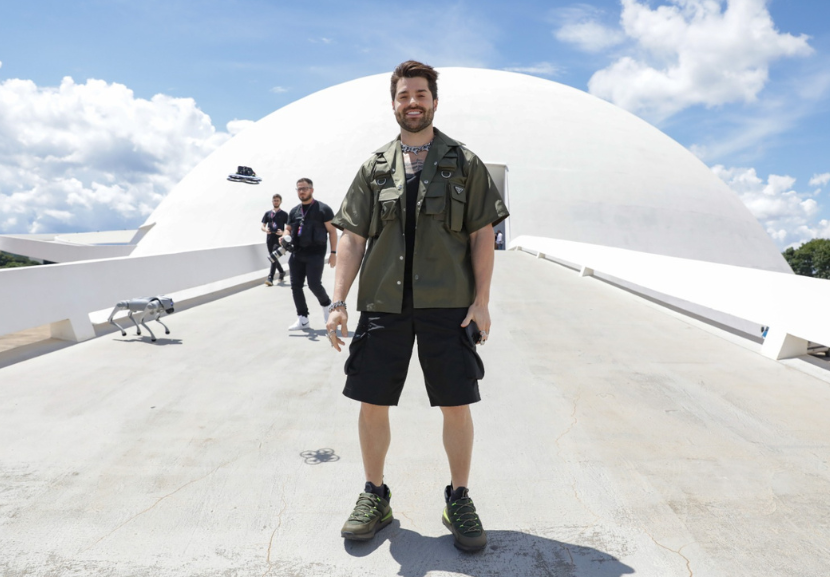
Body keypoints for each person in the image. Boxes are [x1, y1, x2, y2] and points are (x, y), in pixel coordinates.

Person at [327, 60, 509, 551]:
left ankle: (459, 498)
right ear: (394, 103)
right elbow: (352, 237)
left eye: (421, 94)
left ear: (434, 100)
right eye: (404, 95)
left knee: (456, 403)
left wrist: (482, 301)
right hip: (384, 303)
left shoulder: (464, 163)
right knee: (372, 402)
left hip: (447, 304)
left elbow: (482, 236)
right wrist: (338, 300)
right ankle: (375, 495)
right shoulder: (374, 167)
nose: (413, 102)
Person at [284, 178, 337, 330]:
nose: (302, 191)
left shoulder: (323, 209)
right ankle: (303, 319)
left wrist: (333, 253)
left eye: (305, 188)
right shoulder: (294, 211)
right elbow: (288, 228)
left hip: (316, 254)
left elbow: (332, 231)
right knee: (296, 286)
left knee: (314, 284)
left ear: (312, 190)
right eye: (299, 189)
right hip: (296, 253)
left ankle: (327, 306)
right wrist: (284, 235)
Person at [261, 193, 288, 285]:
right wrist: (265, 230)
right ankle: (281, 272)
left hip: (279, 238)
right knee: (273, 257)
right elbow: (262, 226)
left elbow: (289, 228)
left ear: (280, 201)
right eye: (274, 200)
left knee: (273, 255)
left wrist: (283, 232)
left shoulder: (284, 214)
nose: (276, 202)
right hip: (269, 238)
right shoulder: (268, 213)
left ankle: (270, 278)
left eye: (277, 200)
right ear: (272, 201)